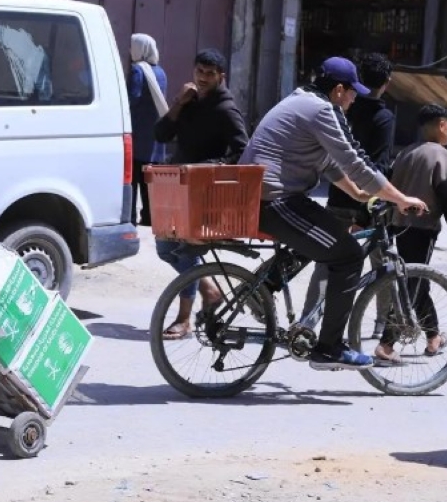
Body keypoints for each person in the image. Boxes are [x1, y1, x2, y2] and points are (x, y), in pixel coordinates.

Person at [240, 56, 427, 370]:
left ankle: (260, 291)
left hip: (269, 197)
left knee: (326, 240)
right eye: (353, 91)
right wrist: (399, 198)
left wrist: (358, 193)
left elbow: (328, 162)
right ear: (339, 90)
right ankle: (329, 348)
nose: (356, 97)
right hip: (275, 200)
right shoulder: (323, 110)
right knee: (348, 256)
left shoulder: (302, 100)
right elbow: (354, 160)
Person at [153, 49, 249, 339]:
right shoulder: (190, 102)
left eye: (210, 73)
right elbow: (160, 135)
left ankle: (184, 319)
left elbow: (244, 151)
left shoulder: (226, 110)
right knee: (165, 248)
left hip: (204, 192)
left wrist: (209, 167)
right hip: (179, 188)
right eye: (199, 72)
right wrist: (178, 104)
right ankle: (209, 289)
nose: (203, 78)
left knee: (184, 250)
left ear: (221, 76)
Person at [304, 53, 395, 336]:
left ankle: (307, 322)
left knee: (326, 261)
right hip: (369, 200)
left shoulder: (342, 108)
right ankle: (383, 327)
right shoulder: (383, 117)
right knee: (384, 264)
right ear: (387, 83)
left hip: (339, 196)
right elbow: (377, 165)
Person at [374, 104, 447, 363]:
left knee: (418, 280)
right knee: (413, 285)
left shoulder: (407, 152)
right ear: (442, 125)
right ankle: (386, 343)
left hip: (397, 225)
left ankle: (433, 337)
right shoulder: (442, 157)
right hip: (422, 228)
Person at [127, 33, 167, 226]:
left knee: (132, 176)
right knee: (148, 178)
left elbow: (132, 99)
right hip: (154, 134)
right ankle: (150, 216)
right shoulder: (160, 72)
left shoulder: (137, 71)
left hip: (138, 133)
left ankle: (130, 216)